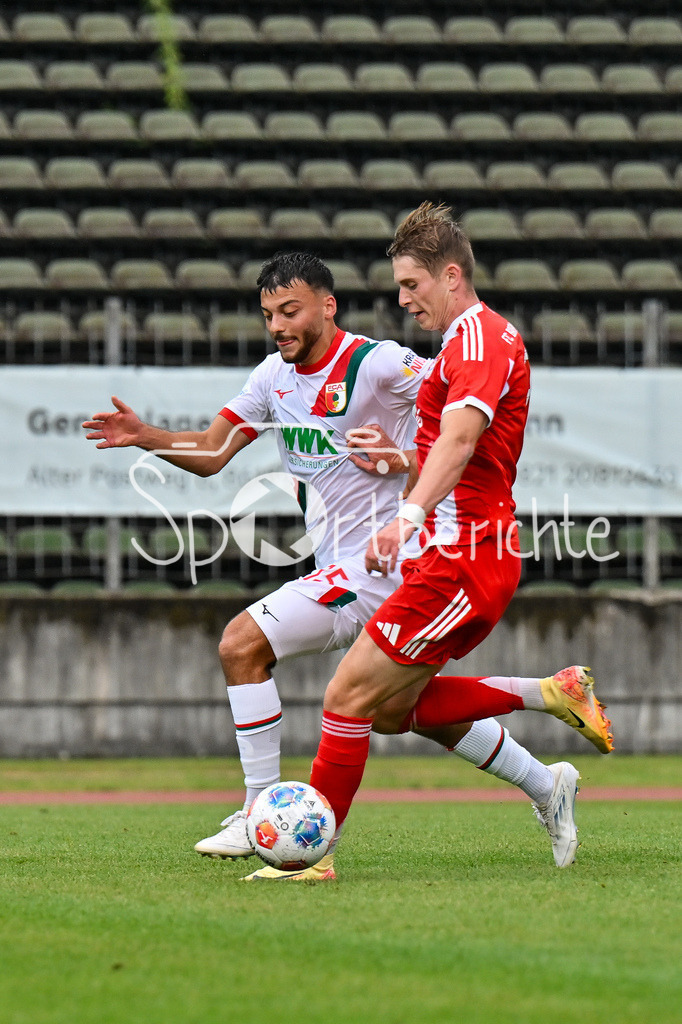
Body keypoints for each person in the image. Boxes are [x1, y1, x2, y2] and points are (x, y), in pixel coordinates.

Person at [82, 247, 612, 882]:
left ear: (326, 307)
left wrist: (402, 458)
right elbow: (215, 451)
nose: (278, 326)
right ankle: (545, 757)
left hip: (384, 562)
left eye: (290, 310)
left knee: (244, 643)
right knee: (395, 711)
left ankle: (260, 815)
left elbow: (455, 417)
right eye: (268, 315)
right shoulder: (271, 381)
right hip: (351, 562)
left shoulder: (379, 362)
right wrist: (150, 438)